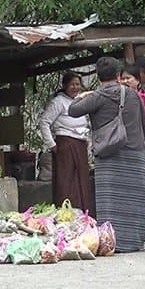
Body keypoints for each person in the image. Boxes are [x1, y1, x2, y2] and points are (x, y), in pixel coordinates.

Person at [68, 57, 145, 253]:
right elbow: (144, 124)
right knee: (136, 198)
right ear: (118, 75)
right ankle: (140, 240)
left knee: (111, 201)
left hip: (108, 154)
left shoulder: (97, 96)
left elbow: (73, 110)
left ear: (98, 77)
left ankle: (114, 241)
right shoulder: (132, 95)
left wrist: (82, 95)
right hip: (134, 152)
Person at [38, 71, 92, 211]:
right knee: (66, 181)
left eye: (78, 84)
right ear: (65, 86)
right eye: (72, 84)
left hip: (80, 145)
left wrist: (87, 140)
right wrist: (52, 144)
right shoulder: (58, 102)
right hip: (66, 145)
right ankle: (66, 213)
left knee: (81, 181)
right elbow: (44, 122)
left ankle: (83, 213)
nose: (75, 87)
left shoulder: (80, 101)